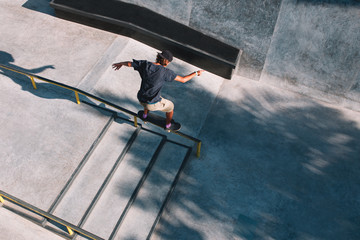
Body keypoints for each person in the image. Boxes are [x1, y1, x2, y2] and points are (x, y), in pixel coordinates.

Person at [112, 50, 204, 130]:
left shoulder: (145, 64)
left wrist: (120, 63)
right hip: (152, 104)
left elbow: (129, 63)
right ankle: (168, 125)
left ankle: (144, 115)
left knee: (150, 95)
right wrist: (196, 73)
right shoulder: (165, 72)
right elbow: (183, 80)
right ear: (167, 62)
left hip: (140, 98)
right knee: (171, 107)